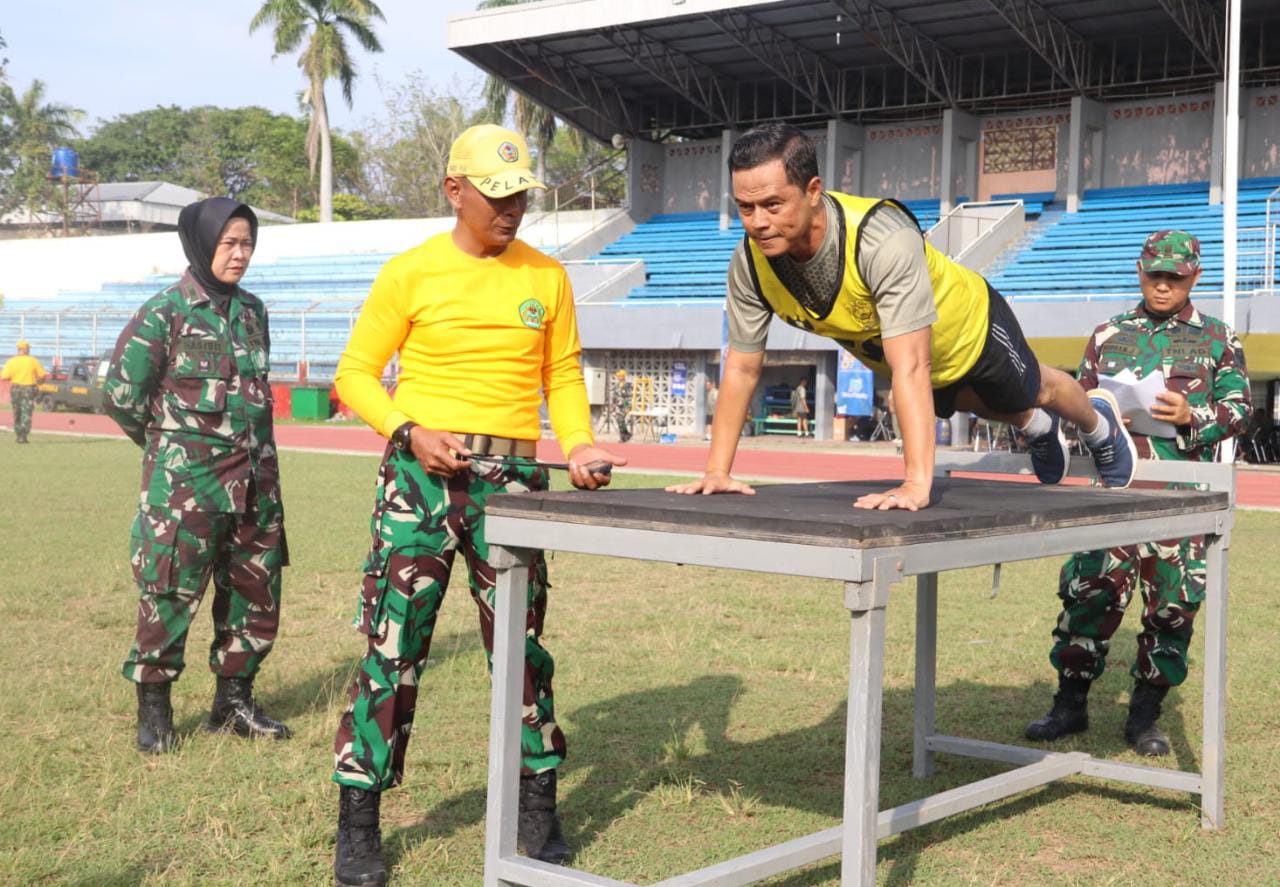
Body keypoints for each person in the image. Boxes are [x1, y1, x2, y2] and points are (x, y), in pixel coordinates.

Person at [328, 123, 625, 887]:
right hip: (420, 477)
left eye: (521, 193)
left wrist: (583, 442)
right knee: (394, 646)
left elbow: (561, 375)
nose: (512, 207)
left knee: (521, 650)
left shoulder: (547, 276)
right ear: (454, 191)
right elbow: (355, 373)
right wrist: (409, 429)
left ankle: (537, 807)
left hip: (514, 483)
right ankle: (359, 823)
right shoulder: (411, 271)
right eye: (496, 194)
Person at [668, 123, 1137, 509]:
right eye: (744, 208)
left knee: (1035, 387)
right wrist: (717, 472)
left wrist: (916, 483)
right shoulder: (750, 262)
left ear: (813, 191)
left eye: (772, 204)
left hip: (969, 325)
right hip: (916, 362)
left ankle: (1098, 424)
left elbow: (912, 367)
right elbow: (743, 367)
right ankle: (1035, 426)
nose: (758, 221)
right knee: (962, 400)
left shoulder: (879, 238)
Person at [1025, 230, 1251, 756]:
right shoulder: (1108, 334)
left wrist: (1193, 415)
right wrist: (1095, 415)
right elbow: (1076, 399)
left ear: (1195, 276)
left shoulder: (1219, 339)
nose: (1164, 284)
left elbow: (1240, 410)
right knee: (1088, 595)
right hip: (1112, 491)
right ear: (1139, 270)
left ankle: (1144, 718)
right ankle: (1069, 706)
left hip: (1180, 495)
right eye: (1155, 274)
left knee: (1172, 606)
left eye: (1176, 276)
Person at [104, 197, 292, 756]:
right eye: (229, 243)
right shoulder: (165, 312)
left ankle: (233, 701)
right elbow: (121, 397)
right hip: (185, 493)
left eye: (248, 243)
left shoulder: (254, 311)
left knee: (254, 595)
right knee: (169, 595)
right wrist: (170, 451)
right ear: (201, 241)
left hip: (256, 485)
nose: (240, 254)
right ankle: (155, 708)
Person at [2, 339, 48, 443]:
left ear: (18, 350)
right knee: (26, 412)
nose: (29, 350)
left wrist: (15, 377)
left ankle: (18, 434)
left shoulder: (11, 361)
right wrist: (39, 382)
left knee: (16, 411)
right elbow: (42, 375)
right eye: (28, 349)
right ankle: (23, 435)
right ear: (25, 349)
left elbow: (4, 376)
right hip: (29, 389)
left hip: (16, 388)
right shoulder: (33, 361)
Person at [613, 368, 633, 443]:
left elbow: (629, 397)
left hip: (624, 405)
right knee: (619, 420)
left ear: (623, 376)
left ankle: (624, 437)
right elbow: (614, 396)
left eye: (620, 376)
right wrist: (613, 406)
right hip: (618, 405)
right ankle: (626, 435)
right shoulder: (617, 385)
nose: (618, 377)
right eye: (618, 376)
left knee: (621, 420)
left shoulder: (627, 385)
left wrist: (628, 407)